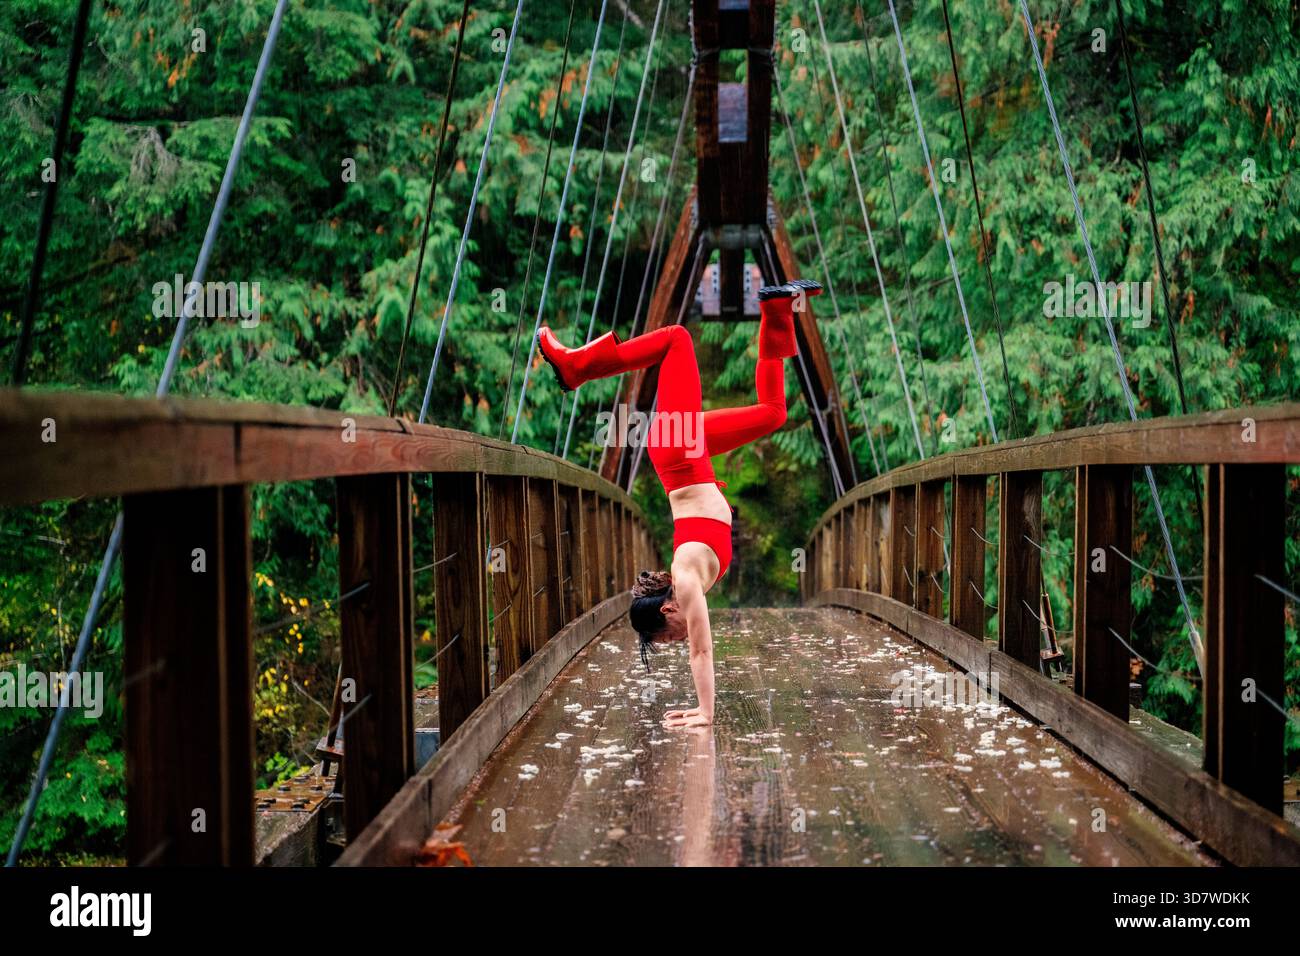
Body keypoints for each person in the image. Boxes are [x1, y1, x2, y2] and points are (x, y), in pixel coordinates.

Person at [535, 278, 821, 729]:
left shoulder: (686, 584)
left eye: (663, 638)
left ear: (667, 610)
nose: (672, 643)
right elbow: (699, 646)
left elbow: (702, 651)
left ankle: (577, 368)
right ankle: (776, 309)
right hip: (691, 452)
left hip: (679, 451)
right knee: (773, 413)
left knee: (677, 339)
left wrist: (705, 714)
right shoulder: (689, 584)